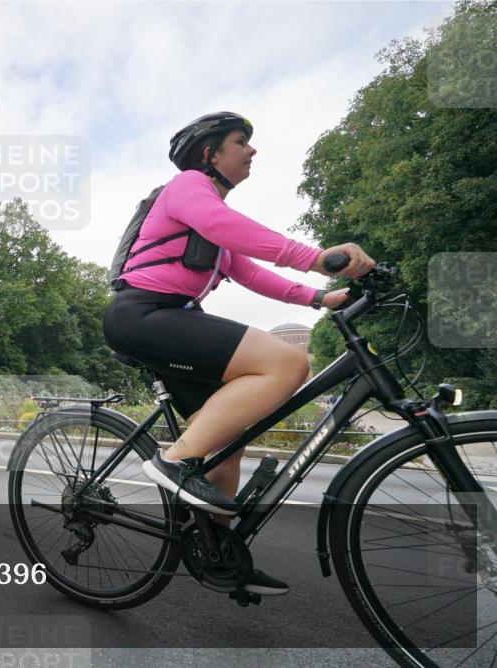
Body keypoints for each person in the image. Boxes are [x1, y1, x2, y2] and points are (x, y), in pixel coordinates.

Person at [103, 112, 375, 595]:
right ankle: (175, 460)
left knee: (226, 443)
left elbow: (252, 274)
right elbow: (224, 224)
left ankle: (219, 556)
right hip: (143, 314)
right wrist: (316, 258)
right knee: (288, 362)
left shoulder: (212, 230)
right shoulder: (187, 186)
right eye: (240, 142)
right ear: (210, 154)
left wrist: (320, 298)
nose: (251, 150)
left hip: (170, 318)